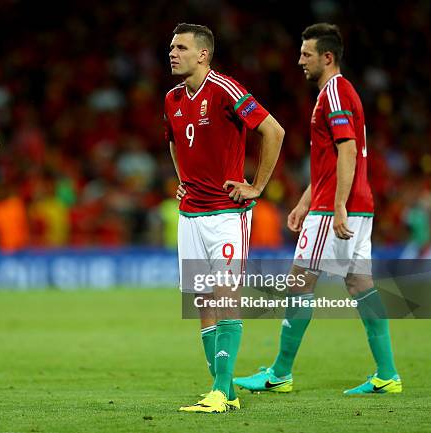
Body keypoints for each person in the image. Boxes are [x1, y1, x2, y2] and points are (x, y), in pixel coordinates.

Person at [234, 23, 401, 395]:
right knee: (360, 284)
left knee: (298, 283)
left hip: (336, 207)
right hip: (350, 204)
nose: (299, 61)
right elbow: (331, 160)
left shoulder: (335, 92)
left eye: (306, 54)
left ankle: (279, 373)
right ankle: (388, 374)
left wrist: (336, 205)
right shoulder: (334, 93)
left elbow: (346, 149)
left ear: (327, 57)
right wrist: (305, 200)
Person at [164, 23, 284, 412]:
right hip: (190, 216)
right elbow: (173, 140)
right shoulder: (171, 98)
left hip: (227, 214)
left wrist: (258, 187)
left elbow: (273, 131)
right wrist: (182, 180)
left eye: (180, 47)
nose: (172, 53)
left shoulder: (226, 90)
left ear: (202, 54)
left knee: (226, 297)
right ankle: (226, 390)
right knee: (203, 302)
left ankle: (219, 391)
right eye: (171, 47)